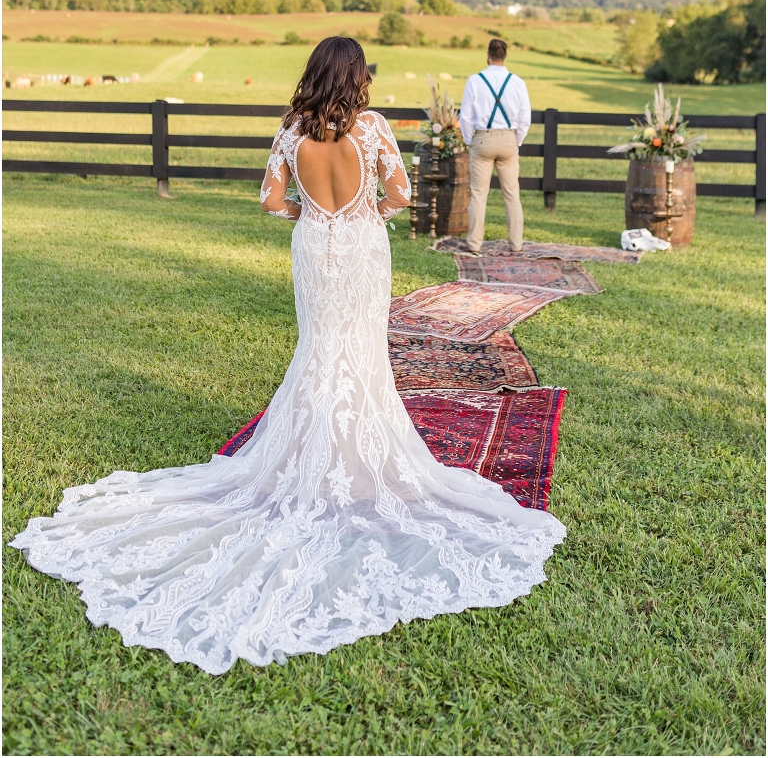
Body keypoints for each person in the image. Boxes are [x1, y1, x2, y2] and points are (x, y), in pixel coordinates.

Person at [10, 37, 563, 674]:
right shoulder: (375, 127)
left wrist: (311, 211)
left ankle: (311, 454)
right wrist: (365, 215)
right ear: (356, 77)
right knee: (358, 351)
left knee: (321, 349)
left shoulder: (291, 130)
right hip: (360, 248)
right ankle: (356, 461)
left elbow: (271, 200)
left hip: (314, 249)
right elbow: (404, 195)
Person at [459, 38, 531, 254]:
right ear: (505, 56)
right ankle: (516, 244)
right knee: (511, 194)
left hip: (483, 138)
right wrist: (516, 140)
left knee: (479, 194)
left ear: (488, 55)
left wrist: (469, 140)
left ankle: (474, 243)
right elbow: (525, 117)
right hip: (509, 139)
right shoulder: (517, 82)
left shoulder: (475, 80)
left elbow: (465, 116)